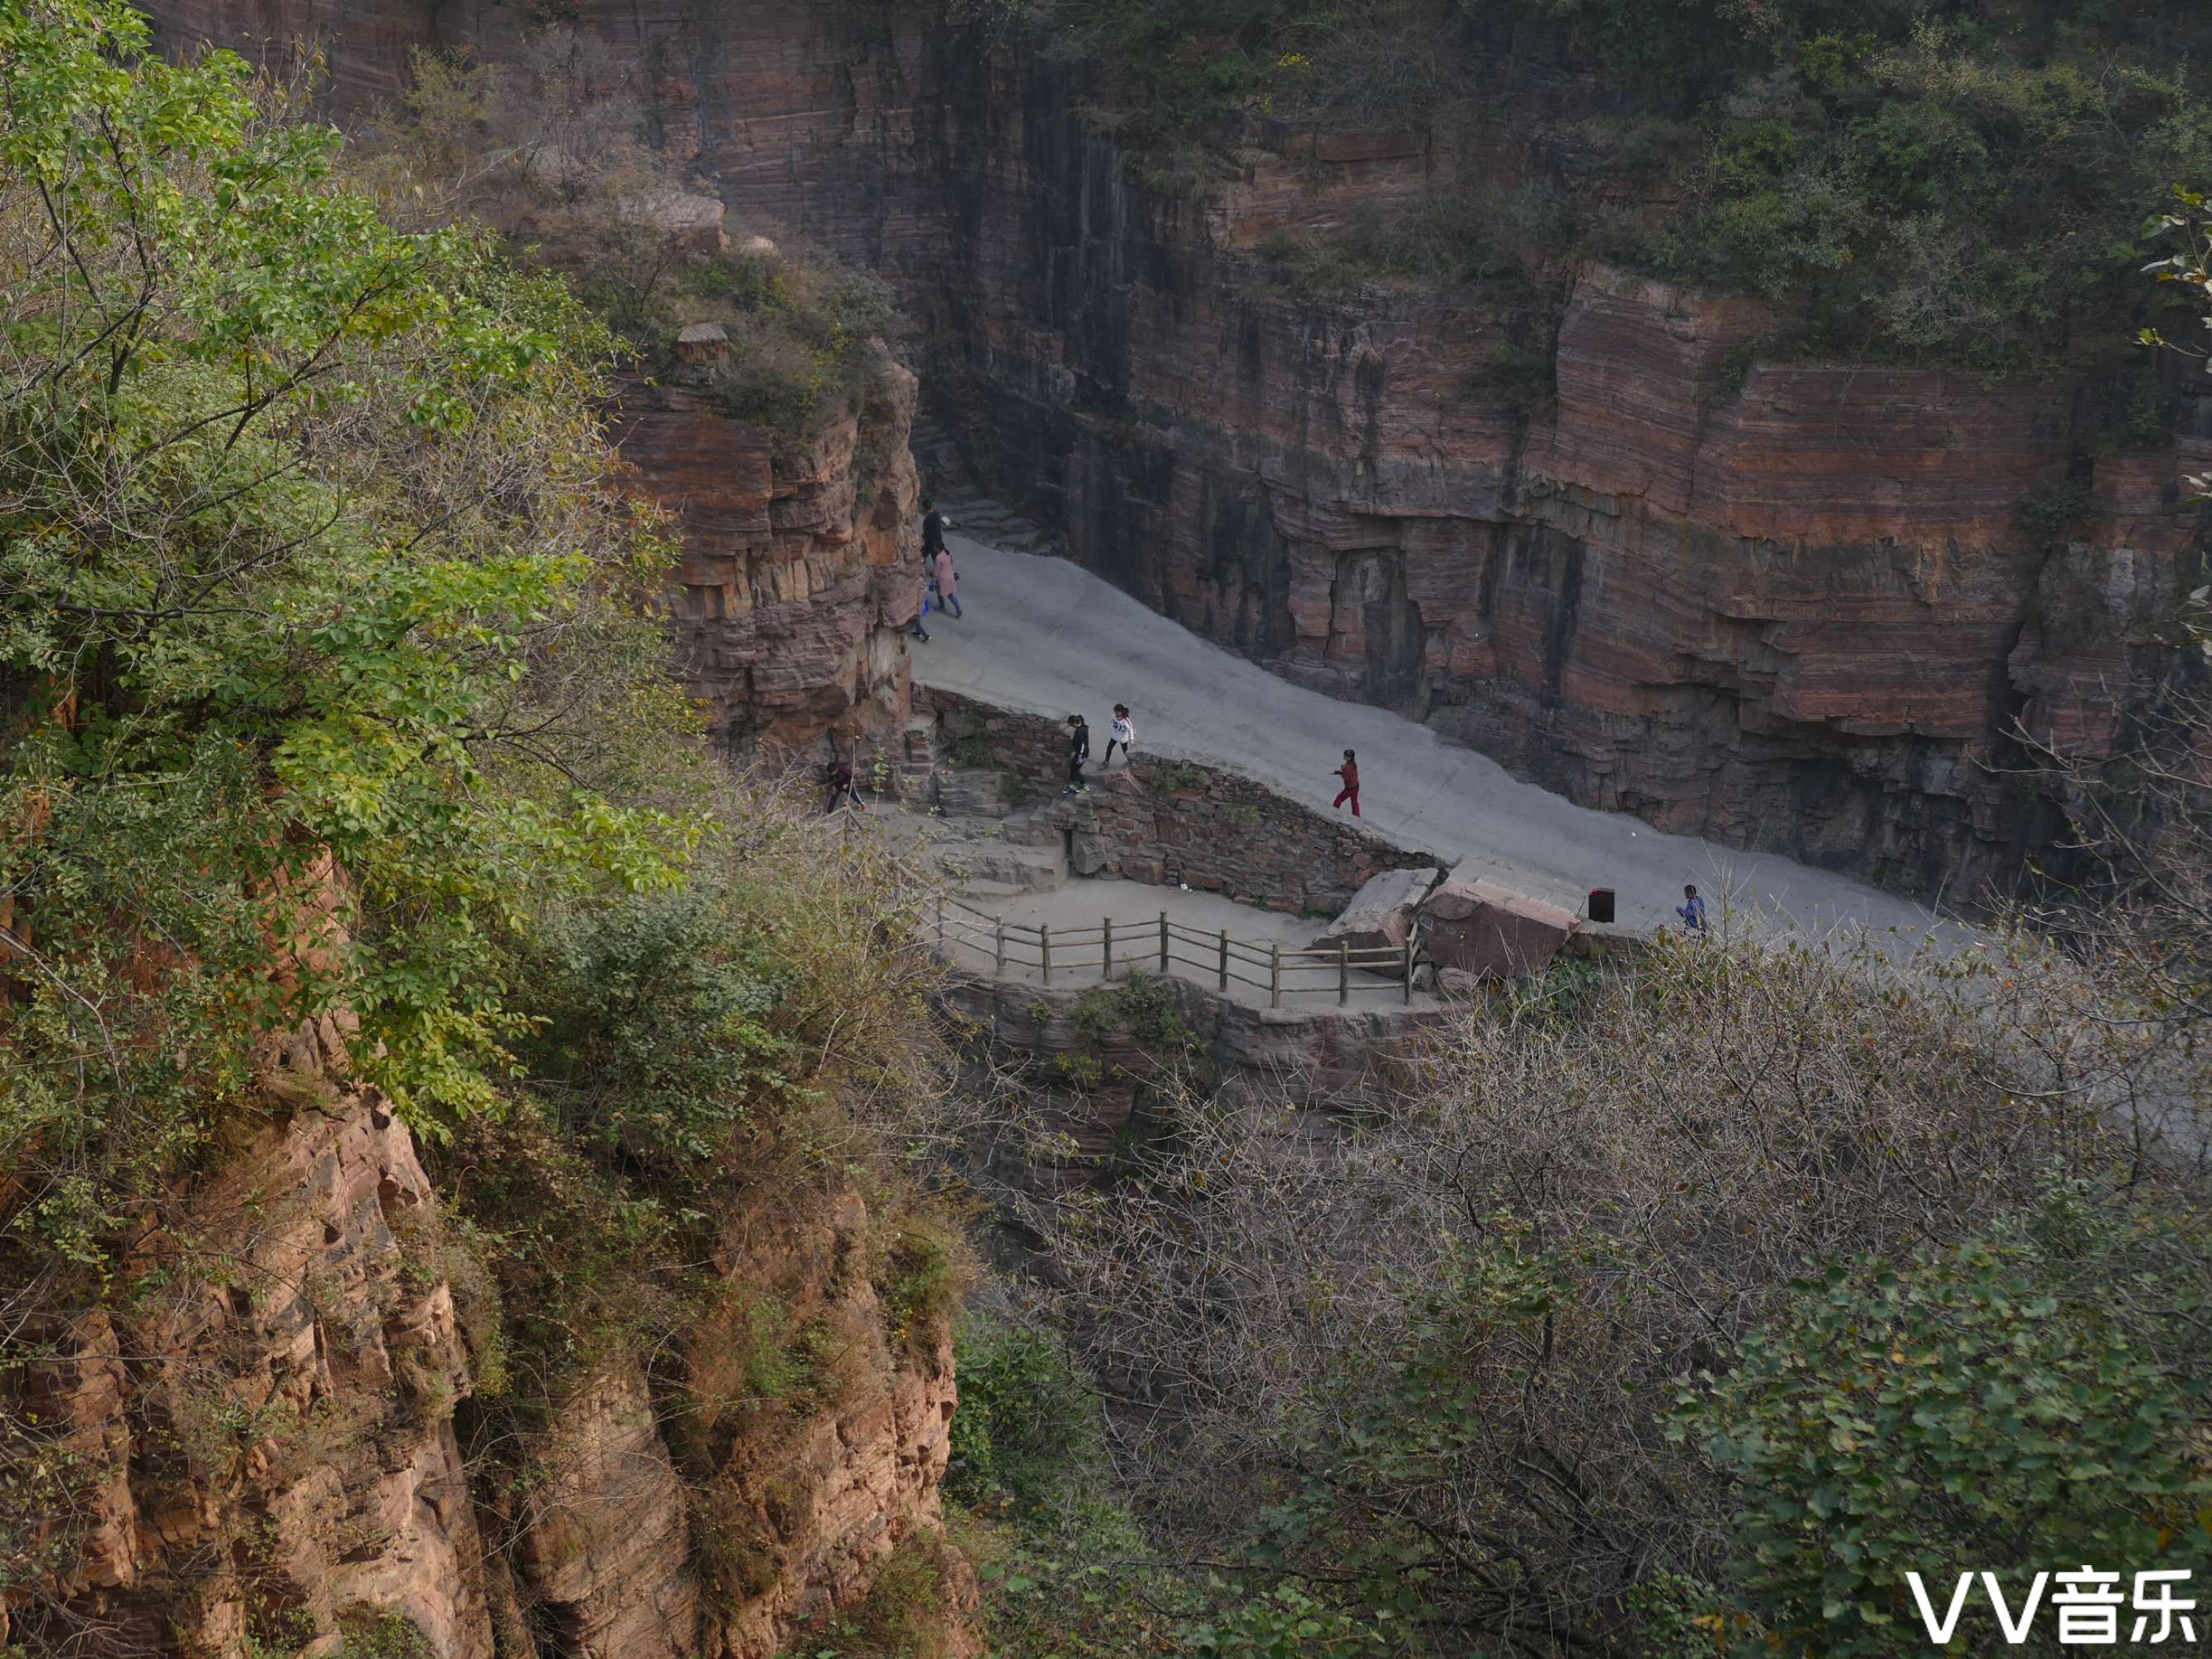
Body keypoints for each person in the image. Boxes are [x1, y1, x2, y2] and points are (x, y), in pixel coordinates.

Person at [1063, 713, 1091, 795]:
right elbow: (1080, 717)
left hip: (1082, 754)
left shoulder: (1079, 732)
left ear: (1075, 723)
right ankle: (1072, 785)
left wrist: (1080, 757)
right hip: (1083, 753)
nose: (1072, 726)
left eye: (1072, 725)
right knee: (1072, 767)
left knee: (1075, 769)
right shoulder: (1083, 726)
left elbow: (1082, 744)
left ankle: (1085, 787)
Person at [933, 544, 961, 619]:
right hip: (950, 576)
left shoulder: (938, 558)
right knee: (950, 595)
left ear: (938, 548)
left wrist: (933, 581)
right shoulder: (948, 552)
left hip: (942, 579)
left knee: (939, 593)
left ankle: (942, 607)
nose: (934, 549)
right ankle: (958, 609)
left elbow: (936, 571)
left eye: (935, 548)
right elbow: (952, 563)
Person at [1104, 703, 1135, 767]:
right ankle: (1106, 762)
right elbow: (1112, 722)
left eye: (1117, 712)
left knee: (1125, 752)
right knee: (1109, 748)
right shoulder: (1113, 716)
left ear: (1121, 712)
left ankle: (1131, 762)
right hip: (1114, 737)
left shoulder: (1125, 720)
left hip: (1122, 739)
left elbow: (1131, 729)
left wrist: (1131, 738)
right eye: (1115, 712)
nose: (1116, 713)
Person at [1331, 749, 1360, 817]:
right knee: (1354, 803)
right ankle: (1357, 817)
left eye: (1346, 756)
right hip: (1356, 787)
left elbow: (1347, 778)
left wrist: (1341, 773)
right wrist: (1341, 772)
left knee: (1338, 799)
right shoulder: (1353, 764)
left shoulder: (1348, 766)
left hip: (1349, 788)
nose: (1344, 756)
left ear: (1350, 757)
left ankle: (1333, 812)